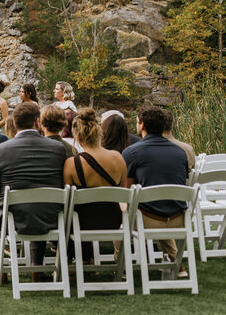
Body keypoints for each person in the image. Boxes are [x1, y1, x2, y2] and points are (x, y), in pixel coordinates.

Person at [0, 102, 67, 281]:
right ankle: (36, 269)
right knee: (37, 204)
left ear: (14, 124)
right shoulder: (58, 149)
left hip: (13, 219)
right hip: (51, 217)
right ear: (38, 122)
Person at [123, 105, 190, 270]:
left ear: (142, 125)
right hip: (179, 218)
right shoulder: (180, 152)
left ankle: (121, 267)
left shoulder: (132, 152)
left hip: (147, 219)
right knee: (157, 204)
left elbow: (127, 192)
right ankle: (177, 264)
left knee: (123, 211)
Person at [64, 109, 126, 260]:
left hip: (83, 223)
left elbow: (67, 201)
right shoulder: (118, 158)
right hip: (114, 221)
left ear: (78, 138)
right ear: (99, 134)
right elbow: (124, 193)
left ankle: (81, 260)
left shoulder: (72, 163)